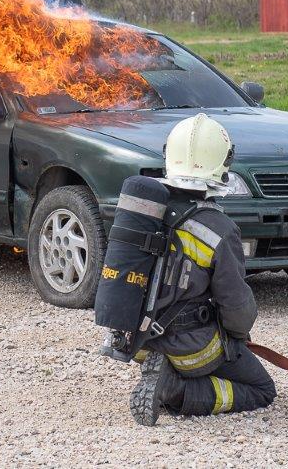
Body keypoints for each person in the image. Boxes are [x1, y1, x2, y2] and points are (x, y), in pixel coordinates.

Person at [110, 114, 276, 425]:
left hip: (138, 341)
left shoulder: (145, 213)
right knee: (261, 388)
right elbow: (237, 309)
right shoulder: (219, 229)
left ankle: (160, 371)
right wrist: (238, 337)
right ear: (222, 164)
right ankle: (173, 389)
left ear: (168, 156)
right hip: (192, 348)